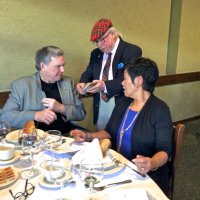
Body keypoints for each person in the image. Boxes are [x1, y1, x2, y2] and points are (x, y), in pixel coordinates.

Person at [71, 57, 173, 194]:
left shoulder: (160, 110)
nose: (122, 83)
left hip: (145, 178)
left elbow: (165, 151)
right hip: (118, 169)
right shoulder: (124, 102)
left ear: (138, 81)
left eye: (125, 78)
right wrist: (88, 136)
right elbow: (109, 132)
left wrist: (152, 162)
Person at [0, 46, 86, 135]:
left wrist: (61, 108)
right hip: (36, 140)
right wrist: (36, 115)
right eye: (58, 66)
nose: (62, 70)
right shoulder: (21, 86)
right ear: (43, 66)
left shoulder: (69, 82)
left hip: (67, 136)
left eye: (63, 65)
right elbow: (5, 117)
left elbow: (81, 113)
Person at [76, 18, 142, 130]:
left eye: (102, 39)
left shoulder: (132, 51)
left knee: (120, 138)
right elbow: (89, 72)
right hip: (101, 103)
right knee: (102, 136)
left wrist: (105, 86)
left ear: (113, 34)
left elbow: (130, 79)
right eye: (96, 41)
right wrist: (82, 83)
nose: (100, 45)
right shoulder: (95, 54)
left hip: (121, 101)